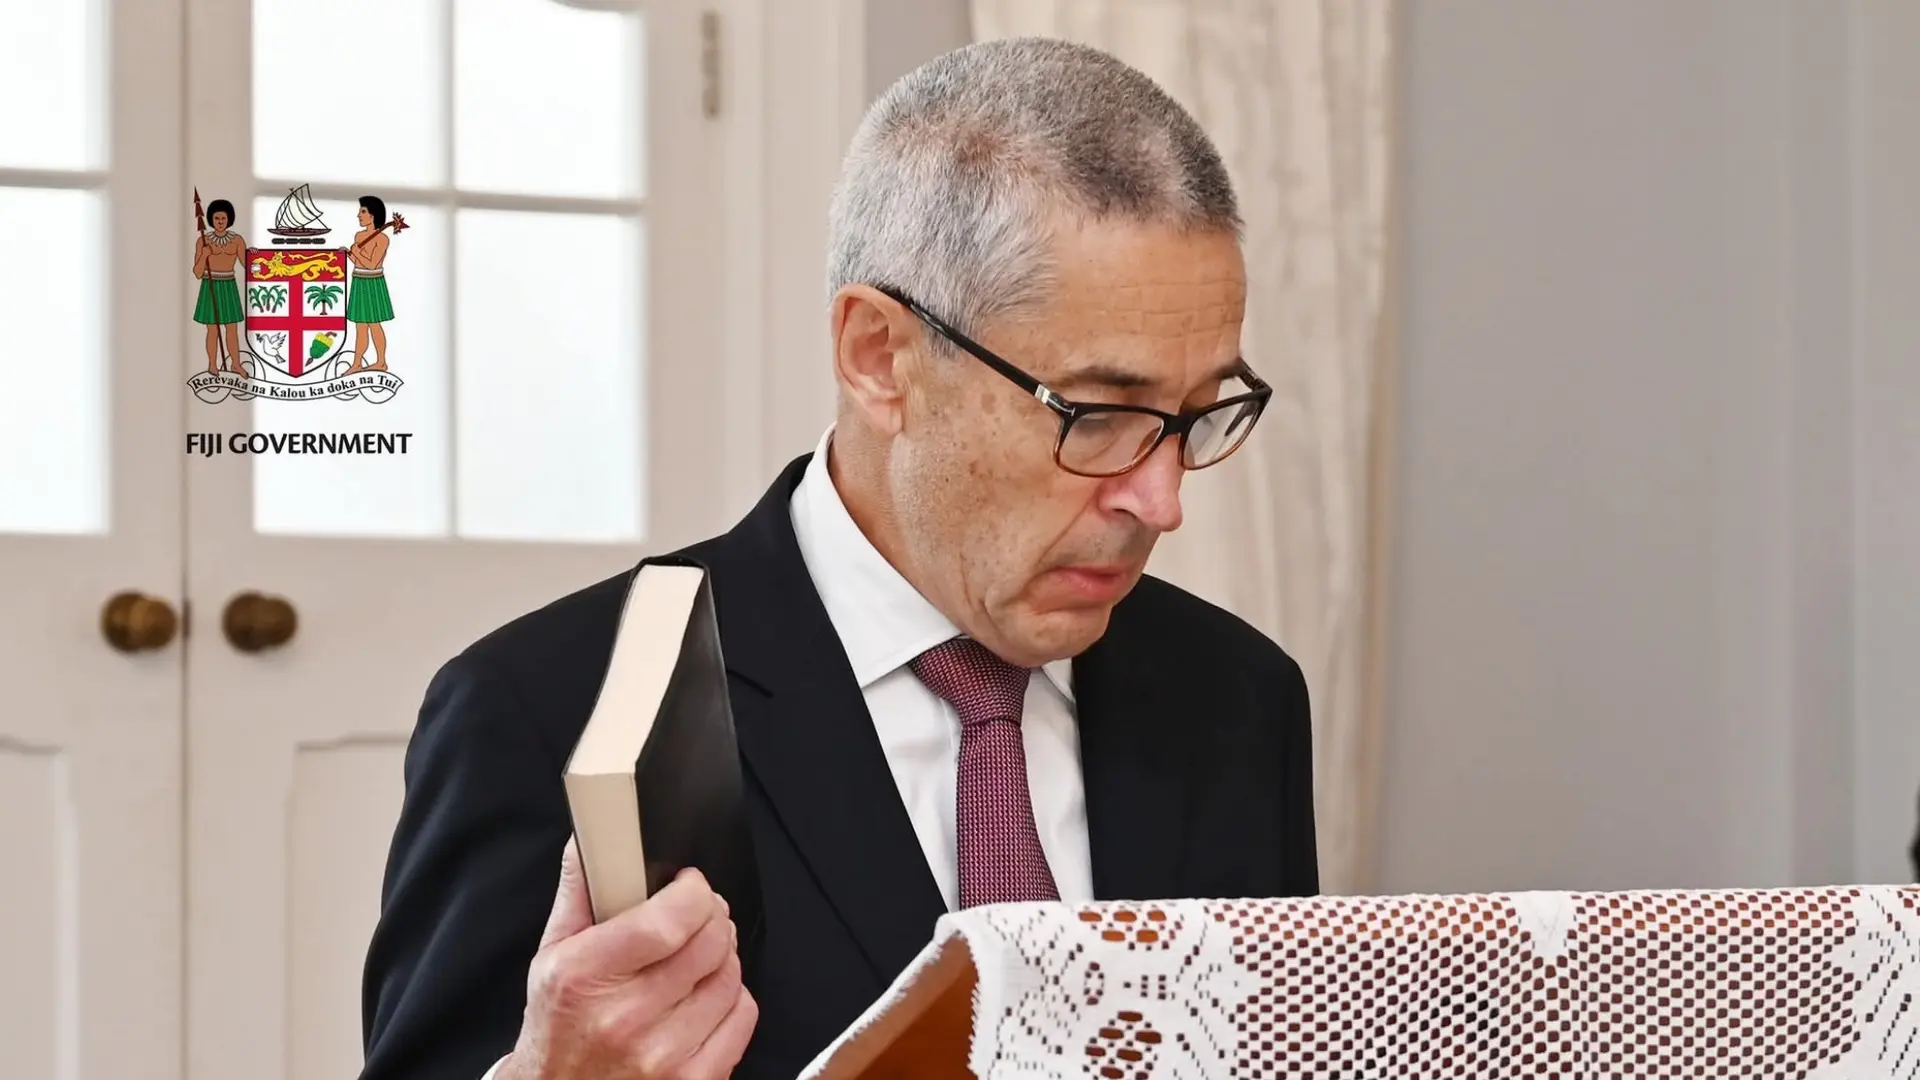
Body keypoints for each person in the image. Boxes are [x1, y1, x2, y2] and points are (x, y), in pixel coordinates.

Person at [358, 37, 1319, 1080]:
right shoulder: (544, 709)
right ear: (879, 359)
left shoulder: (1240, 701)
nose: (1162, 498)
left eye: (1198, 415)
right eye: (1096, 416)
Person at [191, 198, 247, 376]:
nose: (220, 222)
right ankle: (212, 364)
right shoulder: (203, 241)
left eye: (223, 218)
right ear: (211, 220)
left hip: (228, 285)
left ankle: (235, 364)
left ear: (229, 219)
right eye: (216, 219)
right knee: (212, 329)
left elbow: (247, 264)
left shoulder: (237, 240)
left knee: (232, 328)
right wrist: (204, 256)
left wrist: (255, 257)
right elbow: (197, 272)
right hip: (210, 285)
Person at [345, 194, 394, 373]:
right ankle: (357, 363)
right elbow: (358, 262)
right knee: (360, 326)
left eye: (363, 211)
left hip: (373, 283)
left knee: (374, 324)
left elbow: (372, 263)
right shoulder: (359, 236)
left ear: (373, 215)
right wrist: (348, 254)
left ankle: (381, 362)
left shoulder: (382, 239)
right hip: (359, 280)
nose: (359, 215)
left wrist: (356, 253)